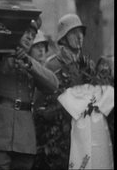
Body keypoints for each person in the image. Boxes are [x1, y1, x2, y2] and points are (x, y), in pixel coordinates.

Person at [0, 19, 59, 170]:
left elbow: (53, 85)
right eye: (26, 32)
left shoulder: (31, 63)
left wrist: (29, 63)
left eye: (33, 35)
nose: (29, 37)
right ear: (15, 32)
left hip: (24, 141)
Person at [45, 13, 114, 170]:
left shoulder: (88, 65)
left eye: (81, 33)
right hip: (59, 133)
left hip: (85, 133)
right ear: (63, 38)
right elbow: (43, 101)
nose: (79, 37)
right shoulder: (52, 65)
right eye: (73, 33)